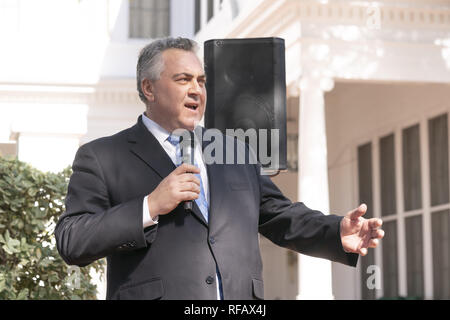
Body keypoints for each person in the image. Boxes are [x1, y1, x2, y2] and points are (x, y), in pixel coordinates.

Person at [54, 37, 384, 300]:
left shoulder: (235, 151)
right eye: (183, 79)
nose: (196, 89)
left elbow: (277, 215)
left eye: (201, 80)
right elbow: (73, 240)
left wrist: (334, 232)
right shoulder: (102, 156)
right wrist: (149, 206)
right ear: (148, 88)